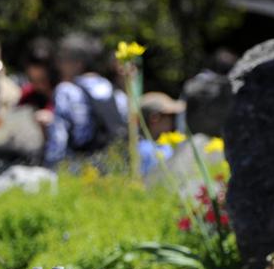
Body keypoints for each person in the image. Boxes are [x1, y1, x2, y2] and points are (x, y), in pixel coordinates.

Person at [43, 33, 128, 167]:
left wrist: (52, 169)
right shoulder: (116, 94)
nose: (58, 66)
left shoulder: (66, 91)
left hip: (81, 169)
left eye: (62, 60)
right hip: (114, 168)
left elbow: (58, 139)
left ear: (78, 64)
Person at [138, 92, 186, 175]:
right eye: (170, 115)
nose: (172, 120)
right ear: (155, 118)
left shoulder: (165, 145)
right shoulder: (144, 151)